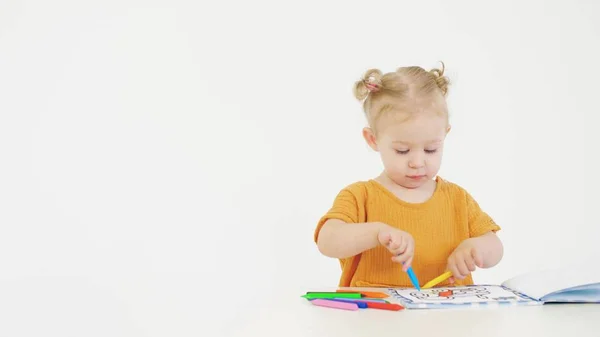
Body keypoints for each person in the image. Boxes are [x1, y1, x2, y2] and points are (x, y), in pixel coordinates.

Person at [313, 63, 503, 288]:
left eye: (431, 149)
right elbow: (327, 241)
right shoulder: (359, 196)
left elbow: (496, 247)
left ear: (445, 135)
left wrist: (475, 249)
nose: (417, 162)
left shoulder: (457, 199)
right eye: (402, 151)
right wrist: (376, 232)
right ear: (373, 139)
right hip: (375, 319)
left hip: (447, 320)